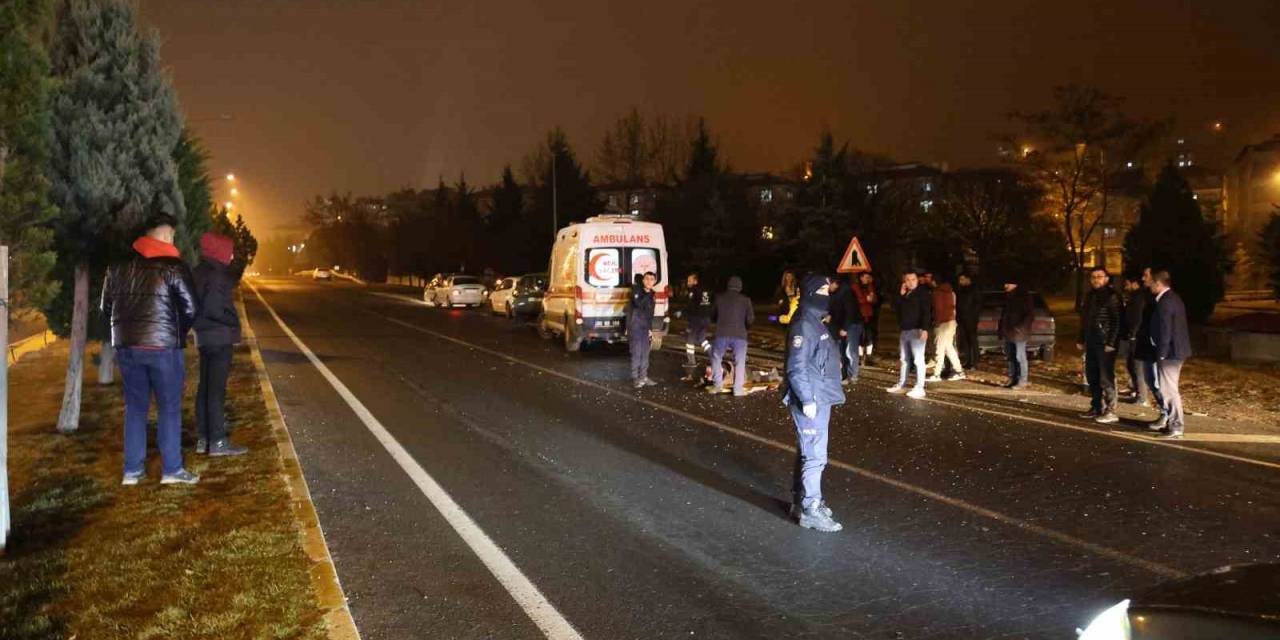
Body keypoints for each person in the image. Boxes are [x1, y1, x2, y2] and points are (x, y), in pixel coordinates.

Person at [102, 213, 199, 485]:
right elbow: (191, 307)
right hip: (163, 348)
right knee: (169, 408)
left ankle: (132, 471)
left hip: (127, 347)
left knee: (135, 407)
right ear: (167, 235)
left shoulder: (117, 267)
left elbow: (106, 308)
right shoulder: (173, 266)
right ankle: (172, 470)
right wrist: (175, 332)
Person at [781, 274, 845, 533]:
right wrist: (807, 399)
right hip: (812, 398)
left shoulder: (814, 322)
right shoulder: (804, 325)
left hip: (821, 394)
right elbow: (795, 367)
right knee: (815, 455)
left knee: (808, 451)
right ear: (809, 293)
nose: (826, 295)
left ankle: (801, 500)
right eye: (821, 290)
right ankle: (810, 508)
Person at [192, 232, 248, 457]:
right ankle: (217, 441)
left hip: (204, 336)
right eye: (229, 251)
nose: (232, 255)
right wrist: (232, 322)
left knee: (204, 388)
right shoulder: (218, 275)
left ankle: (204, 438)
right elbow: (214, 308)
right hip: (219, 336)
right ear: (220, 252)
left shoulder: (200, 272)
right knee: (216, 390)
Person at [1148, 270, 1191, 439]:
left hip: (1170, 353)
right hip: (1175, 350)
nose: (1149, 285)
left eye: (1151, 283)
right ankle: (1173, 424)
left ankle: (1176, 426)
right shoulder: (1173, 298)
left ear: (1158, 283)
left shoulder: (1166, 302)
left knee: (1168, 390)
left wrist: (1162, 353)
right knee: (1169, 388)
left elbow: (1166, 330)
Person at [1078, 268, 1123, 423]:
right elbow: (1084, 320)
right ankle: (1097, 406)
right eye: (1093, 277)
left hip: (1105, 343)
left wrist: (1111, 342)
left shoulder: (1112, 296)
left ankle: (1111, 410)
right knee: (1092, 376)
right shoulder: (1090, 296)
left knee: (1106, 377)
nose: (1096, 279)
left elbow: (1117, 321)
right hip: (1091, 341)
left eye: (1099, 277)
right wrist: (1081, 339)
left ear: (1107, 279)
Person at [887, 270, 931, 399]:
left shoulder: (922, 294)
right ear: (904, 282)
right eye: (908, 280)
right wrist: (900, 295)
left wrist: (925, 329)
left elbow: (926, 312)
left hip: (917, 330)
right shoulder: (905, 294)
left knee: (918, 360)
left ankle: (920, 387)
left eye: (913, 279)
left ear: (917, 280)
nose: (911, 282)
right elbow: (895, 308)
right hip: (905, 330)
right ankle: (902, 384)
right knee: (904, 360)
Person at [708, 275, 754, 396]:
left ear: (728, 285)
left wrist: (718, 321)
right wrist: (745, 328)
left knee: (716, 357)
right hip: (740, 335)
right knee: (739, 361)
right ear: (740, 287)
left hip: (722, 333)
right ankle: (738, 389)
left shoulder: (719, 298)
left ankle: (717, 385)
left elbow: (712, 315)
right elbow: (750, 319)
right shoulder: (746, 300)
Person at [1120, 273, 1154, 406]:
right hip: (1132, 336)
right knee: (1131, 365)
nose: (1126, 287)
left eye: (1127, 284)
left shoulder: (1139, 298)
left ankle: (1142, 396)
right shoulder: (1135, 297)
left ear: (1134, 284)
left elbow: (1137, 318)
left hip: (1135, 337)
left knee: (1136, 366)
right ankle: (1137, 391)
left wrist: (1133, 334)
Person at [998, 278, 1034, 389]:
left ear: (1014, 284)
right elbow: (1004, 316)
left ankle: (1022, 380)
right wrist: (1001, 330)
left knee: (1020, 356)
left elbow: (1029, 315)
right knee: (1011, 357)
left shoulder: (1023, 296)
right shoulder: (1008, 297)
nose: (1005, 286)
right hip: (1009, 332)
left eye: (1007, 283)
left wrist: (1020, 328)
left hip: (1019, 333)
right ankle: (1012, 378)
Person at [676, 272, 713, 379]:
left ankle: (691, 362)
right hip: (706, 319)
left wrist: (682, 313)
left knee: (689, 340)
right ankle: (712, 356)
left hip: (697, 319)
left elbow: (690, 306)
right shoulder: (706, 291)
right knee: (702, 338)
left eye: (689, 280)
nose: (688, 282)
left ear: (695, 281)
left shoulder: (693, 291)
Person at [828, 273, 863, 385]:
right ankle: (845, 375)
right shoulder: (836, 293)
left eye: (829, 284)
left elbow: (850, 312)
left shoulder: (846, 293)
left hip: (852, 325)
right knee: (843, 351)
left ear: (835, 283)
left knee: (850, 351)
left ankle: (853, 376)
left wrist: (845, 328)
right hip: (843, 325)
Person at [928, 275, 964, 382]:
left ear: (935, 282)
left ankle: (937, 374)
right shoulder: (950, 292)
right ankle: (959, 371)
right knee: (949, 348)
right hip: (951, 322)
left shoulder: (937, 293)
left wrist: (936, 322)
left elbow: (938, 308)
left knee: (939, 348)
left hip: (942, 323)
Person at [628, 271, 658, 389]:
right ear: (643, 280)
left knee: (645, 353)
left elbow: (651, 313)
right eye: (647, 279)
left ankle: (644, 376)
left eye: (652, 279)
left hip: (646, 326)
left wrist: (650, 328)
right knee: (637, 352)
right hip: (636, 325)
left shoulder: (652, 294)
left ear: (654, 281)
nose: (649, 281)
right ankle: (635, 378)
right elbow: (638, 304)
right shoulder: (636, 291)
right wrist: (647, 294)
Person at [955, 272, 982, 370]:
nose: (960, 282)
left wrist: (973, 316)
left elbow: (977, 304)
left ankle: (974, 361)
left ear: (968, 279)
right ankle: (968, 360)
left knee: (972, 340)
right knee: (965, 341)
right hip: (962, 319)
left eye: (962, 279)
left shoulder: (974, 289)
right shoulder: (961, 290)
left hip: (971, 319)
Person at [855, 272, 880, 366]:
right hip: (859, 315)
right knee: (860, 336)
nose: (868, 279)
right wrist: (866, 299)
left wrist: (870, 298)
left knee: (869, 336)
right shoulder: (856, 286)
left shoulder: (870, 286)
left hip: (869, 315)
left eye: (869, 277)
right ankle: (860, 356)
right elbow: (858, 299)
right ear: (861, 277)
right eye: (866, 277)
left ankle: (868, 356)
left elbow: (874, 299)